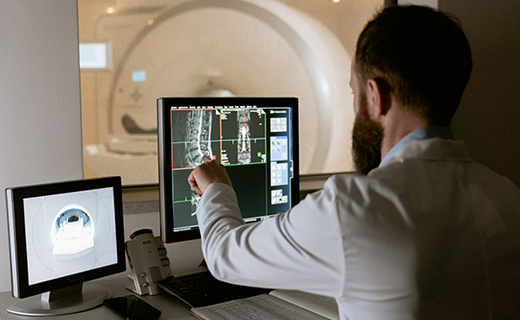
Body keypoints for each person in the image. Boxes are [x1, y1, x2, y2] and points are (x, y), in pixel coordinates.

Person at [188, 5, 520, 320]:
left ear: (376, 97)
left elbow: (224, 255)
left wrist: (216, 187)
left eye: (353, 93)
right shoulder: (506, 197)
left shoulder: (354, 207)